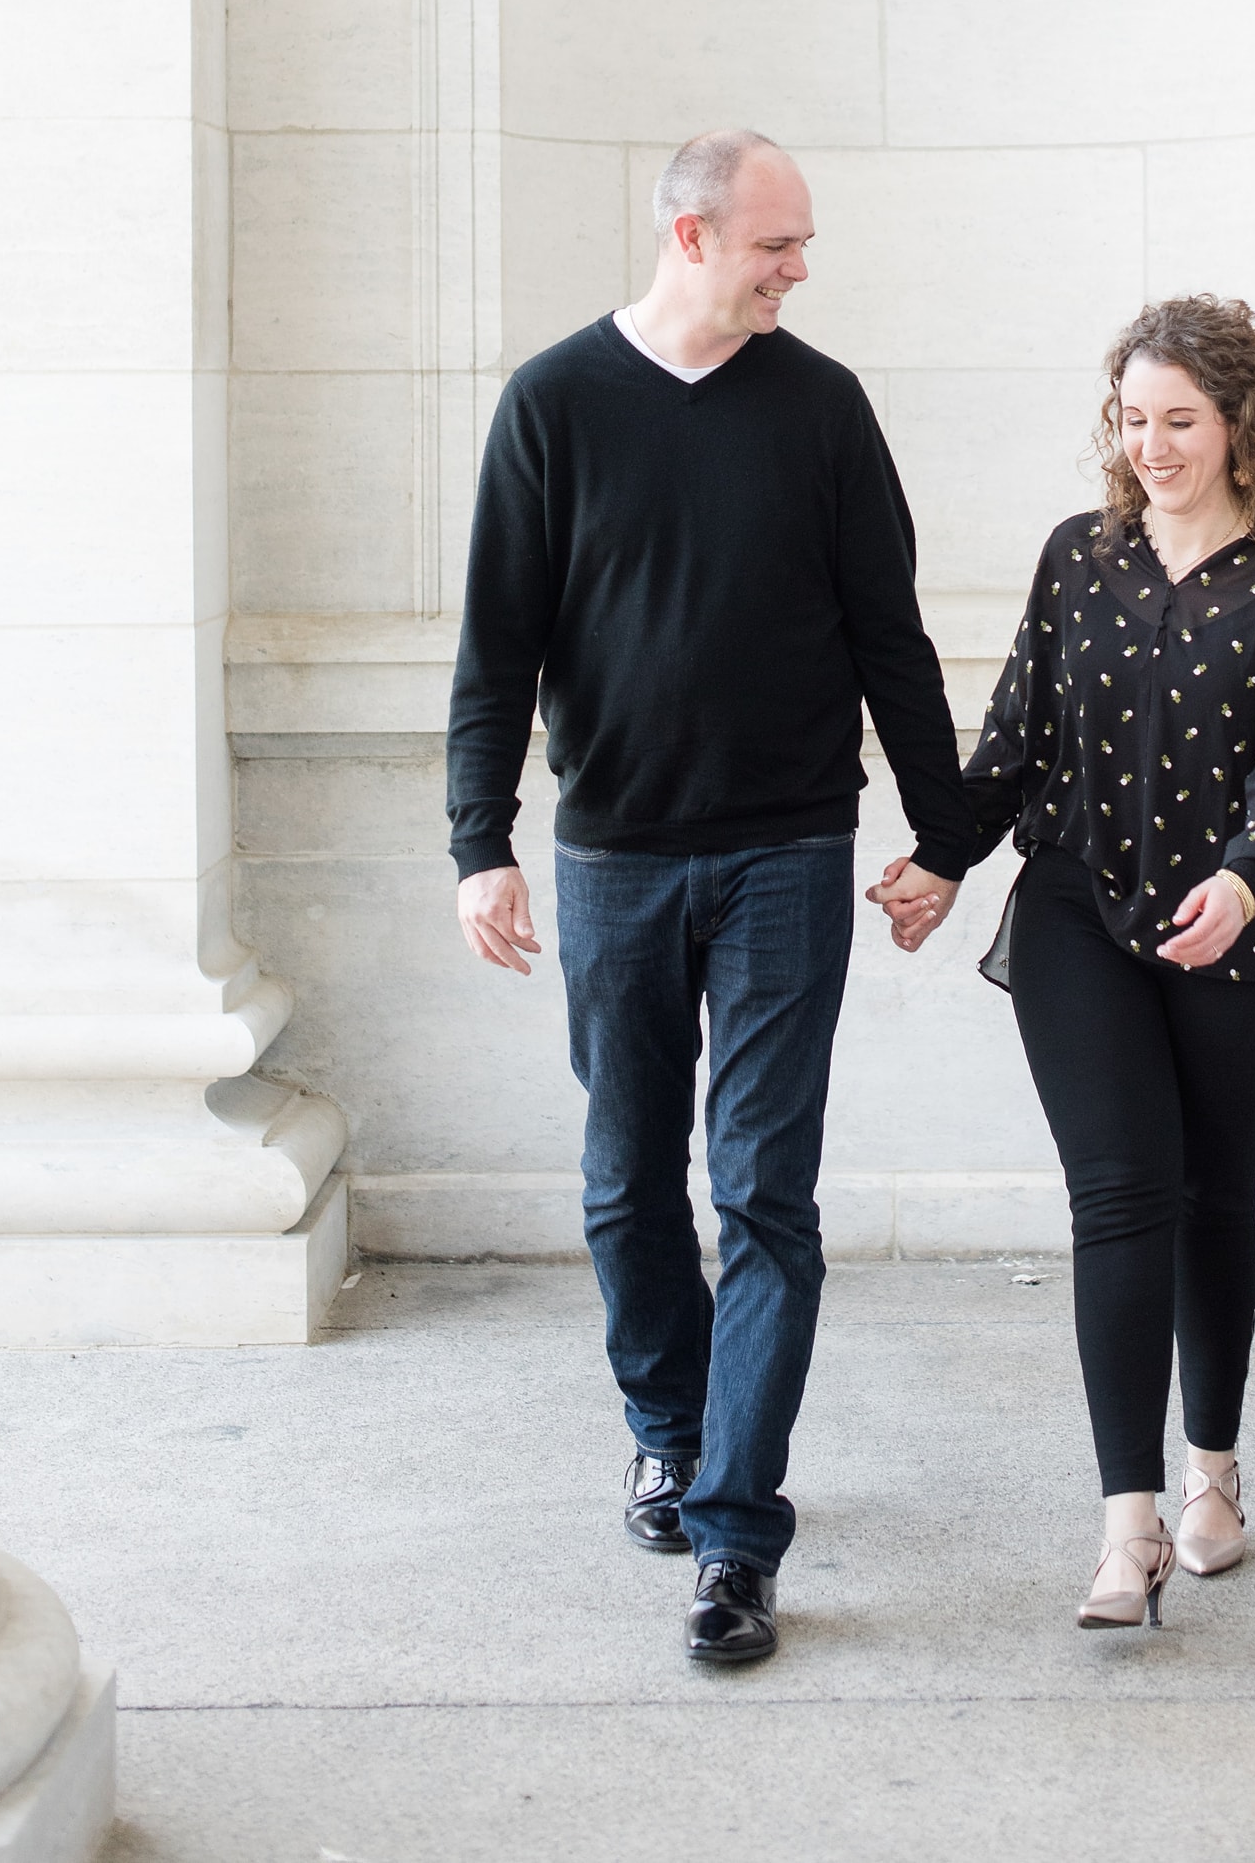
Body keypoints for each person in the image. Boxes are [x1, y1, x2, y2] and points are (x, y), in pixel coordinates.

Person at [447, 130, 974, 1667]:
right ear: (691, 234)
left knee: (761, 1194)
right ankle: (667, 1432)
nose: (798, 270)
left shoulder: (822, 408)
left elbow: (892, 633)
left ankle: (738, 1534)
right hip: (610, 855)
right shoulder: (552, 404)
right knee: (624, 1177)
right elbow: (497, 644)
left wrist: (944, 836)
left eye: (799, 246)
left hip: (787, 857)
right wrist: (481, 836)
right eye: (776, 245)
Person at [870, 295, 1255, 1630]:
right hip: (1081, 907)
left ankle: (1215, 1476)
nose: (1152, 444)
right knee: (1120, 1191)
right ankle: (1126, 1525)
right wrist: (941, 856)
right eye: (1134, 419)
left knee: (1210, 1194)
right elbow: (1016, 735)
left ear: (1241, 428)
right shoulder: (1080, 558)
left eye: (1179, 420)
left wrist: (1246, 880)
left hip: (1237, 932)